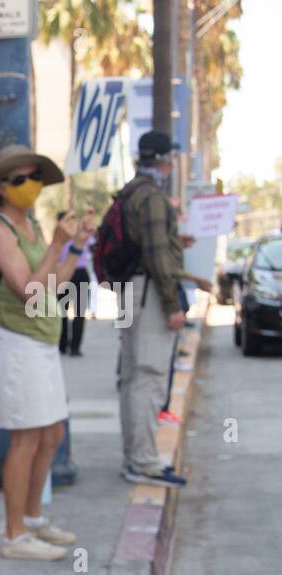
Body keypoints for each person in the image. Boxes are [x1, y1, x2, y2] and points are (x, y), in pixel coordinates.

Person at [0, 145, 93, 561]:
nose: (30, 186)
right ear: (1, 188)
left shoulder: (33, 229)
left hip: (42, 343)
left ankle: (33, 517)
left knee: (51, 435)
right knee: (25, 439)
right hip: (18, 343)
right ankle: (14, 536)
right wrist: (54, 246)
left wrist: (74, 246)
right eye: (20, 179)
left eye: (34, 178)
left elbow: (55, 282)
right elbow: (28, 291)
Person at [117, 130, 188, 488]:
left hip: (127, 291)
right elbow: (158, 256)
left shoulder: (130, 191)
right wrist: (173, 305)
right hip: (148, 294)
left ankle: (134, 455)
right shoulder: (153, 197)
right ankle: (143, 461)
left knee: (131, 375)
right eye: (170, 157)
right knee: (149, 376)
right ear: (162, 158)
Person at [55, 210, 94, 357]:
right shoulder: (75, 235)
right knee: (72, 312)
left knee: (69, 312)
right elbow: (93, 246)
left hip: (71, 273)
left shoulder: (61, 237)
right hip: (70, 273)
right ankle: (71, 347)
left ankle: (65, 346)